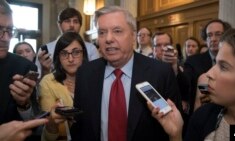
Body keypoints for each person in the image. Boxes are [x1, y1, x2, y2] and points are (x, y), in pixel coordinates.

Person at [70, 6, 182, 141]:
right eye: (102, 32)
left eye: (117, 31)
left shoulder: (160, 73)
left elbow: (175, 127)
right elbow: (79, 127)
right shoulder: (85, 74)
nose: (108, 39)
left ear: (133, 36)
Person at [149, 28, 235, 141]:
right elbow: (199, 96)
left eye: (224, 67)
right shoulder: (203, 116)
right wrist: (176, 135)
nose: (209, 73)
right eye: (209, 35)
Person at [0, 1, 42, 140]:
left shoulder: (23, 67)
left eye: (9, 30)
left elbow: (34, 127)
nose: (6, 38)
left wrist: (24, 105)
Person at [39, 31, 89, 141]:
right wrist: (52, 123)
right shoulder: (48, 82)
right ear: (58, 57)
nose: (70, 59)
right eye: (64, 53)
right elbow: (48, 136)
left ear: (83, 54)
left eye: (76, 52)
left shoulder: (95, 78)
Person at [184, 19, 231, 114]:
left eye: (218, 34)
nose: (213, 39)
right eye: (209, 35)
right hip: (202, 113)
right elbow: (185, 85)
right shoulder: (193, 61)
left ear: (226, 36)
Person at [36, 7, 99, 79]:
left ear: (80, 26)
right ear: (59, 25)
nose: (72, 25)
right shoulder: (45, 50)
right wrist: (45, 70)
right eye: (67, 21)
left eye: (76, 22)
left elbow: (95, 76)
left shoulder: (91, 49)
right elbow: (38, 84)